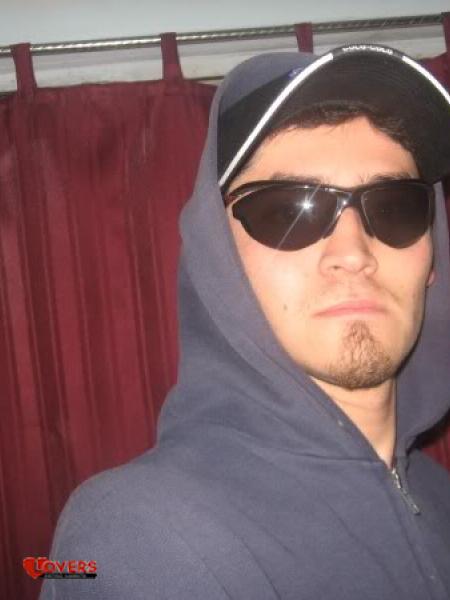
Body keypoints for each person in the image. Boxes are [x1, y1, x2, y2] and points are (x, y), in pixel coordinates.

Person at [40, 44, 450, 599]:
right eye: (287, 210)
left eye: (394, 206)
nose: (353, 253)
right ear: (220, 263)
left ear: (432, 256)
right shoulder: (141, 536)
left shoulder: (438, 494)